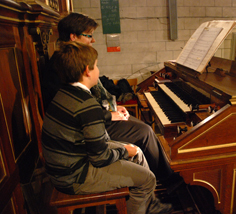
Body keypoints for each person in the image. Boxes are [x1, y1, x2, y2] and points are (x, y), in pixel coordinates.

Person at [41, 41, 173, 213]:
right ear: (87, 71)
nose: (99, 71)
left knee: (138, 152)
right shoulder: (87, 104)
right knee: (147, 179)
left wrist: (129, 150)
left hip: (69, 161)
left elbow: (90, 130)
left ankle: (148, 204)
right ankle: (142, 198)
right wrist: (126, 151)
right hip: (74, 176)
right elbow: (100, 158)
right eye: (96, 66)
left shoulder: (65, 93)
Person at [41, 12, 173, 180]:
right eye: (89, 35)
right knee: (145, 132)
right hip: (82, 133)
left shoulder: (71, 60)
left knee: (140, 125)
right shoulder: (60, 67)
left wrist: (112, 108)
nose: (93, 40)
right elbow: (74, 112)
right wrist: (109, 114)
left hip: (94, 118)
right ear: (73, 36)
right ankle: (164, 180)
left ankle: (157, 174)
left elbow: (90, 98)